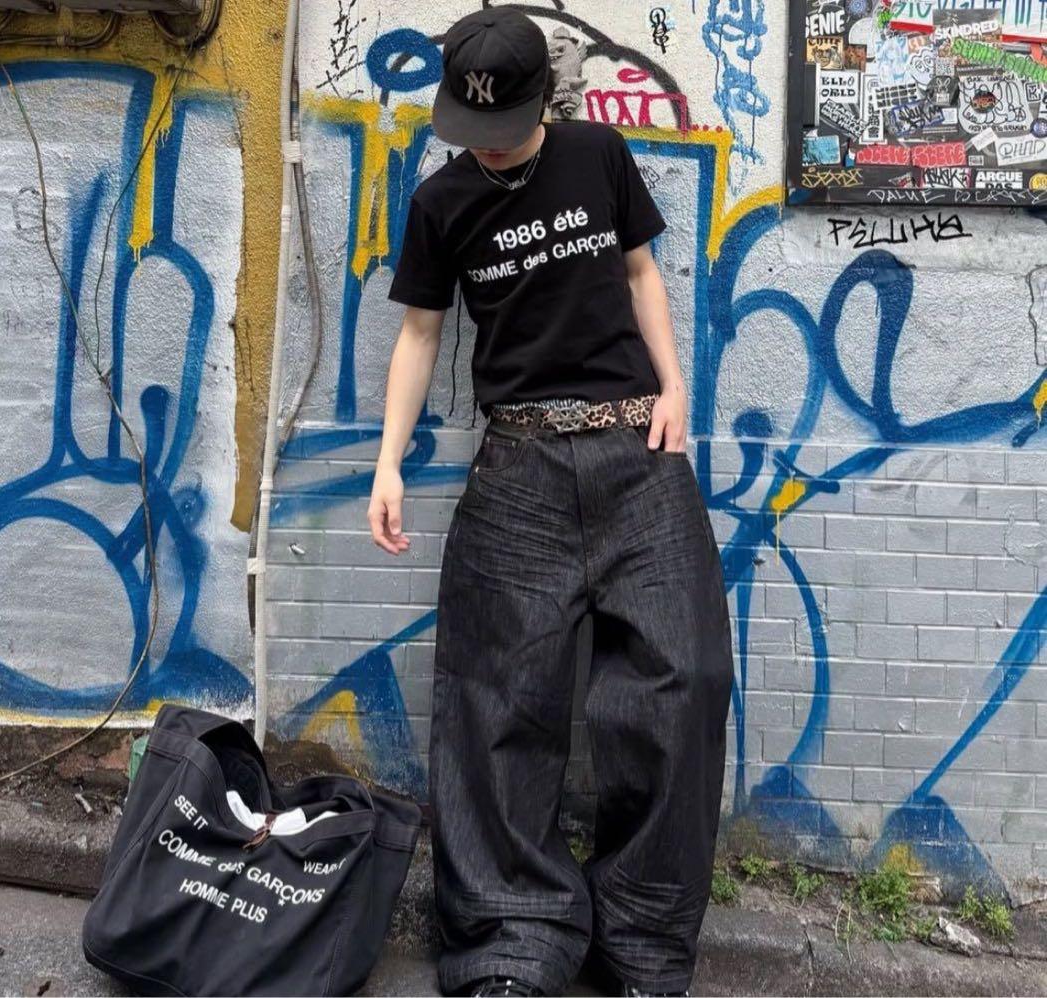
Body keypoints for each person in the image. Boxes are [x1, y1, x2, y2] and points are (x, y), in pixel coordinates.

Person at [368, 9, 733, 997]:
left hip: (636, 448)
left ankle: (643, 945)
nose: (487, 145)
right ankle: (510, 945)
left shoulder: (597, 155)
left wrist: (675, 388)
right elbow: (418, 335)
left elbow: (642, 272)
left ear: (542, 99)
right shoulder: (442, 201)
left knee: (685, 676)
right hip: (520, 462)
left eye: (503, 125)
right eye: (471, 127)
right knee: (495, 700)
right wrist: (388, 464)